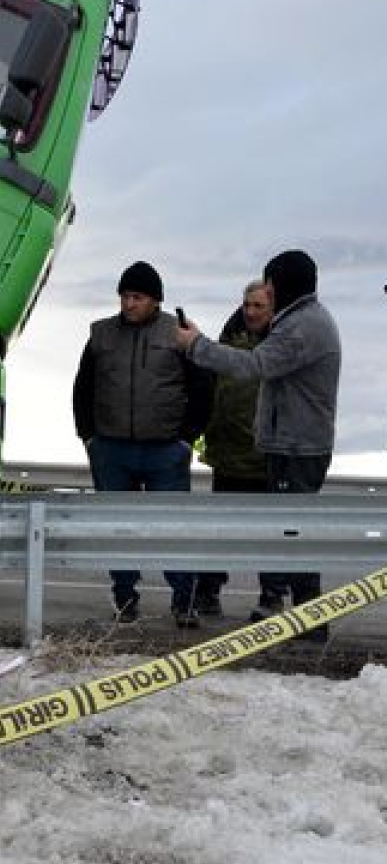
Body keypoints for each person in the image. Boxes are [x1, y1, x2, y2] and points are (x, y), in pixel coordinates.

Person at [176, 249, 341, 640]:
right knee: (289, 534)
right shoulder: (302, 319)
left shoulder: (300, 326)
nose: (266, 290)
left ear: (283, 283)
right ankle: (306, 622)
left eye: (269, 283)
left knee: (294, 537)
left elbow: (254, 365)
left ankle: (312, 627)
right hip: (291, 444)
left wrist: (196, 345)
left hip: (298, 448)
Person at [73, 260, 213, 626]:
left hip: (165, 449)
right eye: (124, 296)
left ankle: (184, 601)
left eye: (136, 297)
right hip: (112, 450)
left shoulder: (177, 333)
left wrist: (187, 437)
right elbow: (82, 388)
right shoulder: (101, 335)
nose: (128, 304)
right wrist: (89, 436)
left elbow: (203, 387)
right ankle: (124, 599)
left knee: (172, 527)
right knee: (118, 528)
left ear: (155, 300)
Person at [191, 279, 286, 618]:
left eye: (259, 305)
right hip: (228, 453)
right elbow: (211, 384)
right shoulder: (230, 335)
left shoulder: (280, 344)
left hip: (265, 457)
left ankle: (272, 596)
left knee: (270, 532)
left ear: (273, 308)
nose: (251, 311)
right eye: (247, 304)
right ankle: (208, 592)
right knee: (219, 531)